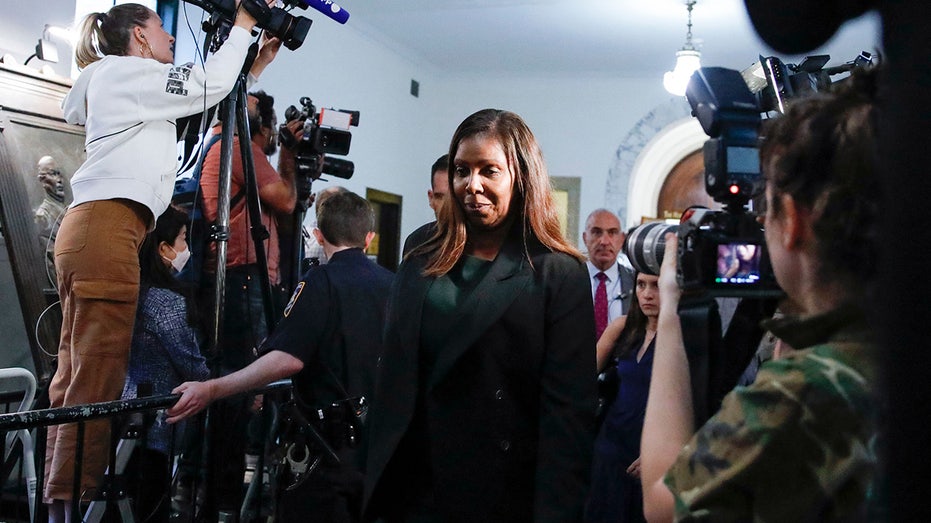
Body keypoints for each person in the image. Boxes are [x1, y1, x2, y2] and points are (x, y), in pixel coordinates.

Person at [45, 3, 269, 517]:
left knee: (75, 376)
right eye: (162, 30)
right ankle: (67, 506)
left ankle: (57, 503)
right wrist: (242, 28)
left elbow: (202, 102)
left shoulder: (119, 84)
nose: (170, 39)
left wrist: (250, 68)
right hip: (108, 229)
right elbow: (205, 85)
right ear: (140, 40)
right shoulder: (128, 73)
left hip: (94, 230)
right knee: (96, 378)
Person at [640, 69, 882, 520]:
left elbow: (661, 502)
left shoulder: (804, 395)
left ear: (792, 221)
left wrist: (672, 312)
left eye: (764, 209)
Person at [363, 109, 597, 521]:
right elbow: (396, 370)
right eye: (461, 170)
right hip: (414, 481)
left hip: (501, 491)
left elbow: (568, 415)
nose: (472, 185)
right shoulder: (422, 248)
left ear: (520, 176)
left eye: (489, 170)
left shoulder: (557, 270)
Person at [167, 190, 393, 523]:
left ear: (318, 234)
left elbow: (286, 359)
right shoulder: (394, 285)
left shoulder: (321, 282)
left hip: (327, 451)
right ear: (369, 237)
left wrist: (214, 389)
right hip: (378, 450)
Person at [197, 88, 297, 513]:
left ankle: (218, 494)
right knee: (244, 390)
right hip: (242, 279)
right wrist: (287, 154)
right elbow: (287, 200)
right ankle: (225, 499)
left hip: (234, 278)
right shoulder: (238, 145)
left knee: (238, 389)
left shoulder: (216, 143)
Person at [121, 205, 209, 523]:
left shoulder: (133, 291)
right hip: (156, 428)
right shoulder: (166, 302)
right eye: (183, 240)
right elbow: (193, 366)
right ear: (164, 248)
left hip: (127, 417)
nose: (187, 249)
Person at [587, 272, 660, 523]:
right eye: (641, 285)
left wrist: (658, 452)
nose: (647, 294)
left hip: (650, 448)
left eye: (657, 286)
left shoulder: (682, 336)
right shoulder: (622, 327)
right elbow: (580, 380)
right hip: (610, 442)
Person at [583, 209, 635, 340]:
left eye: (612, 233)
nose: (604, 241)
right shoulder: (568, 281)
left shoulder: (636, 283)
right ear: (585, 238)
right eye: (596, 232)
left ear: (622, 239)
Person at [402, 153, 450, 256]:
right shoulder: (416, 242)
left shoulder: (486, 245)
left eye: (453, 198)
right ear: (431, 198)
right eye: (440, 197)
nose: (447, 206)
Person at [33, 155, 69, 284]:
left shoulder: (70, 210)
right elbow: (53, 266)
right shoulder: (43, 218)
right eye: (53, 174)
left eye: (59, 174)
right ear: (43, 181)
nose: (59, 180)